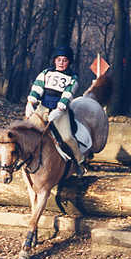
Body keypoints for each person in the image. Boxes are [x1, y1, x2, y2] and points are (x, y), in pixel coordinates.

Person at [25, 45, 86, 177]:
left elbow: (68, 94)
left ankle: (79, 161)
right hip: (43, 107)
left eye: (65, 60)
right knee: (28, 131)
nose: (61, 63)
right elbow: (37, 87)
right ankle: (24, 159)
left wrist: (59, 109)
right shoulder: (46, 73)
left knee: (67, 137)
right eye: (59, 60)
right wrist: (30, 102)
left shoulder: (73, 77)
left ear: (69, 62)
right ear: (54, 61)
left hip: (60, 110)